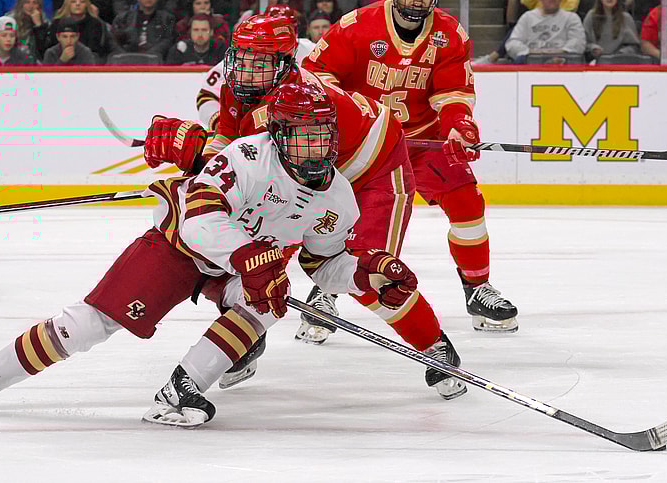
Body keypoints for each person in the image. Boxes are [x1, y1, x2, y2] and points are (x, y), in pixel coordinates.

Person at [0, 82, 463, 426]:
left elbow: (323, 264)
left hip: (238, 267)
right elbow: (200, 217)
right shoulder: (248, 156)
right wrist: (249, 257)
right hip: (177, 251)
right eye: (303, 138)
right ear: (279, 135)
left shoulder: (338, 197)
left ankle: (180, 390)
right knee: (89, 325)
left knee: (268, 302)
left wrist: (367, 273)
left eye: (323, 137)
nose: (317, 149)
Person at [179, 14, 468, 398]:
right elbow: (229, 148)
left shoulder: (300, 97)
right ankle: (244, 339)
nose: (247, 71)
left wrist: (194, 158)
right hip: (310, 173)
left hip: (374, 169)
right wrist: (197, 162)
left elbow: (262, 164)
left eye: (260, 62)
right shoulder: (240, 90)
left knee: (369, 268)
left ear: (284, 64)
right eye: (243, 58)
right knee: (248, 264)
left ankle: (434, 345)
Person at [303, 0, 519, 341]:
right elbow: (316, 75)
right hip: (366, 142)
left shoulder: (449, 33)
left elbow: (452, 93)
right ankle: (326, 291)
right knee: (346, 216)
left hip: (422, 140)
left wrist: (459, 124)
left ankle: (477, 288)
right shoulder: (356, 26)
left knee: (467, 203)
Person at [196, 4, 315, 131]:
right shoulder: (244, 56)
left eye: (258, 67)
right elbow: (206, 95)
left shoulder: (310, 52)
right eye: (242, 65)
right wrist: (220, 123)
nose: (246, 75)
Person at [505, 0, 586, 63]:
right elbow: (512, 44)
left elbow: (579, 43)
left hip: (563, 65)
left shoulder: (572, 18)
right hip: (531, 65)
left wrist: (558, 53)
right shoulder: (527, 17)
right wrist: (534, 53)